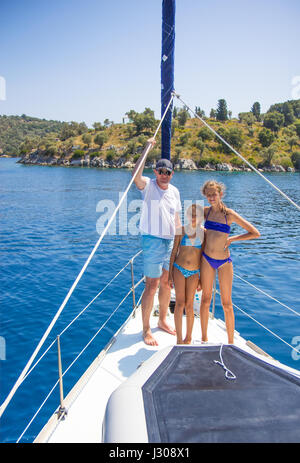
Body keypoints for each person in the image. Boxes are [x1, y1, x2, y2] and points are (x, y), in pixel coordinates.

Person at [132, 138, 182, 346]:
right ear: (155, 172)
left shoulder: (175, 191)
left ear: (172, 174)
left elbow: (177, 219)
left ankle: (162, 320)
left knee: (165, 283)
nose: (164, 175)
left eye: (167, 172)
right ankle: (146, 330)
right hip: (152, 241)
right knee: (151, 285)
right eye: (160, 171)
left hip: (169, 242)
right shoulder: (149, 186)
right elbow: (135, 176)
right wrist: (147, 148)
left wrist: (180, 247)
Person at [199, 179, 260, 344]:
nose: (212, 197)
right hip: (206, 260)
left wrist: (232, 239)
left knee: (227, 304)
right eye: (209, 195)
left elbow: (254, 233)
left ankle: (231, 342)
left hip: (224, 261)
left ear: (221, 194)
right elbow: (191, 225)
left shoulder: (229, 214)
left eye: (214, 194)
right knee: (205, 300)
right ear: (205, 196)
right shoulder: (204, 212)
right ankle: (204, 339)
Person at [169, 204, 205, 344]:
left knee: (189, 305)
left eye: (197, 215)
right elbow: (174, 252)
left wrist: (201, 278)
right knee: (179, 303)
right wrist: (169, 275)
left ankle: (188, 337)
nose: (194, 217)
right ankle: (179, 338)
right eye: (191, 214)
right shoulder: (181, 230)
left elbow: (202, 256)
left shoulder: (203, 233)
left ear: (201, 217)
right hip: (179, 268)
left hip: (194, 272)